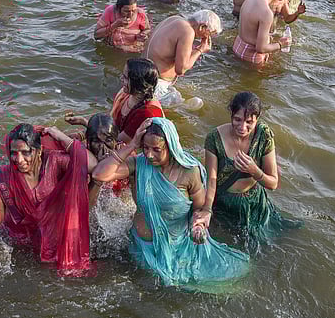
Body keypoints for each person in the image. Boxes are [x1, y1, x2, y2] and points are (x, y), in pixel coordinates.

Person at [92, 118, 249, 292]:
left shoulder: (189, 172)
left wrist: (197, 226)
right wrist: (132, 145)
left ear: (171, 145)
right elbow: (99, 174)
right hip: (141, 248)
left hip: (178, 249)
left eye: (157, 149)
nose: (150, 155)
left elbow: (200, 208)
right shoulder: (139, 164)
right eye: (145, 148)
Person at [0, 122, 92, 275]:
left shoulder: (54, 162)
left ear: (39, 151)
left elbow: (89, 164)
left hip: (56, 238)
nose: (18, 159)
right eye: (14, 153)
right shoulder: (3, 176)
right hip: (23, 241)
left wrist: (60, 136)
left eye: (25, 152)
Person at [202, 93, 299, 245]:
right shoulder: (214, 138)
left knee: (263, 246)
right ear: (231, 114)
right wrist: (207, 210)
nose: (242, 127)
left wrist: (254, 170)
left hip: (254, 203)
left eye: (249, 122)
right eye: (237, 120)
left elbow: (273, 184)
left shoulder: (263, 135)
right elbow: (212, 180)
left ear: (257, 120)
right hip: (225, 205)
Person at [145, 10, 222, 104]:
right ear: (202, 27)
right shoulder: (188, 31)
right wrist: (200, 49)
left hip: (142, 73)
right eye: (209, 33)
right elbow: (180, 69)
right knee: (194, 106)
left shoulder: (175, 19)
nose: (207, 37)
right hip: (155, 83)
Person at [235, 0, 293, 65]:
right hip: (252, 57)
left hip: (238, 46)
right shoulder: (266, 13)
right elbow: (261, 48)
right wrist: (281, 44)